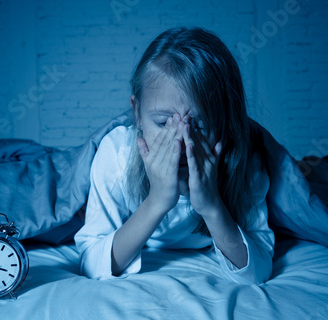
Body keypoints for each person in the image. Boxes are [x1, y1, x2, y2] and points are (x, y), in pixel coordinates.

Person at [74, 27, 274, 285]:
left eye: (199, 126)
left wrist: (211, 206)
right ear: (137, 114)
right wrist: (157, 201)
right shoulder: (116, 153)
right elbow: (91, 264)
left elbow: (258, 271)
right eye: (162, 123)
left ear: (225, 123)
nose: (180, 141)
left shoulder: (246, 159)